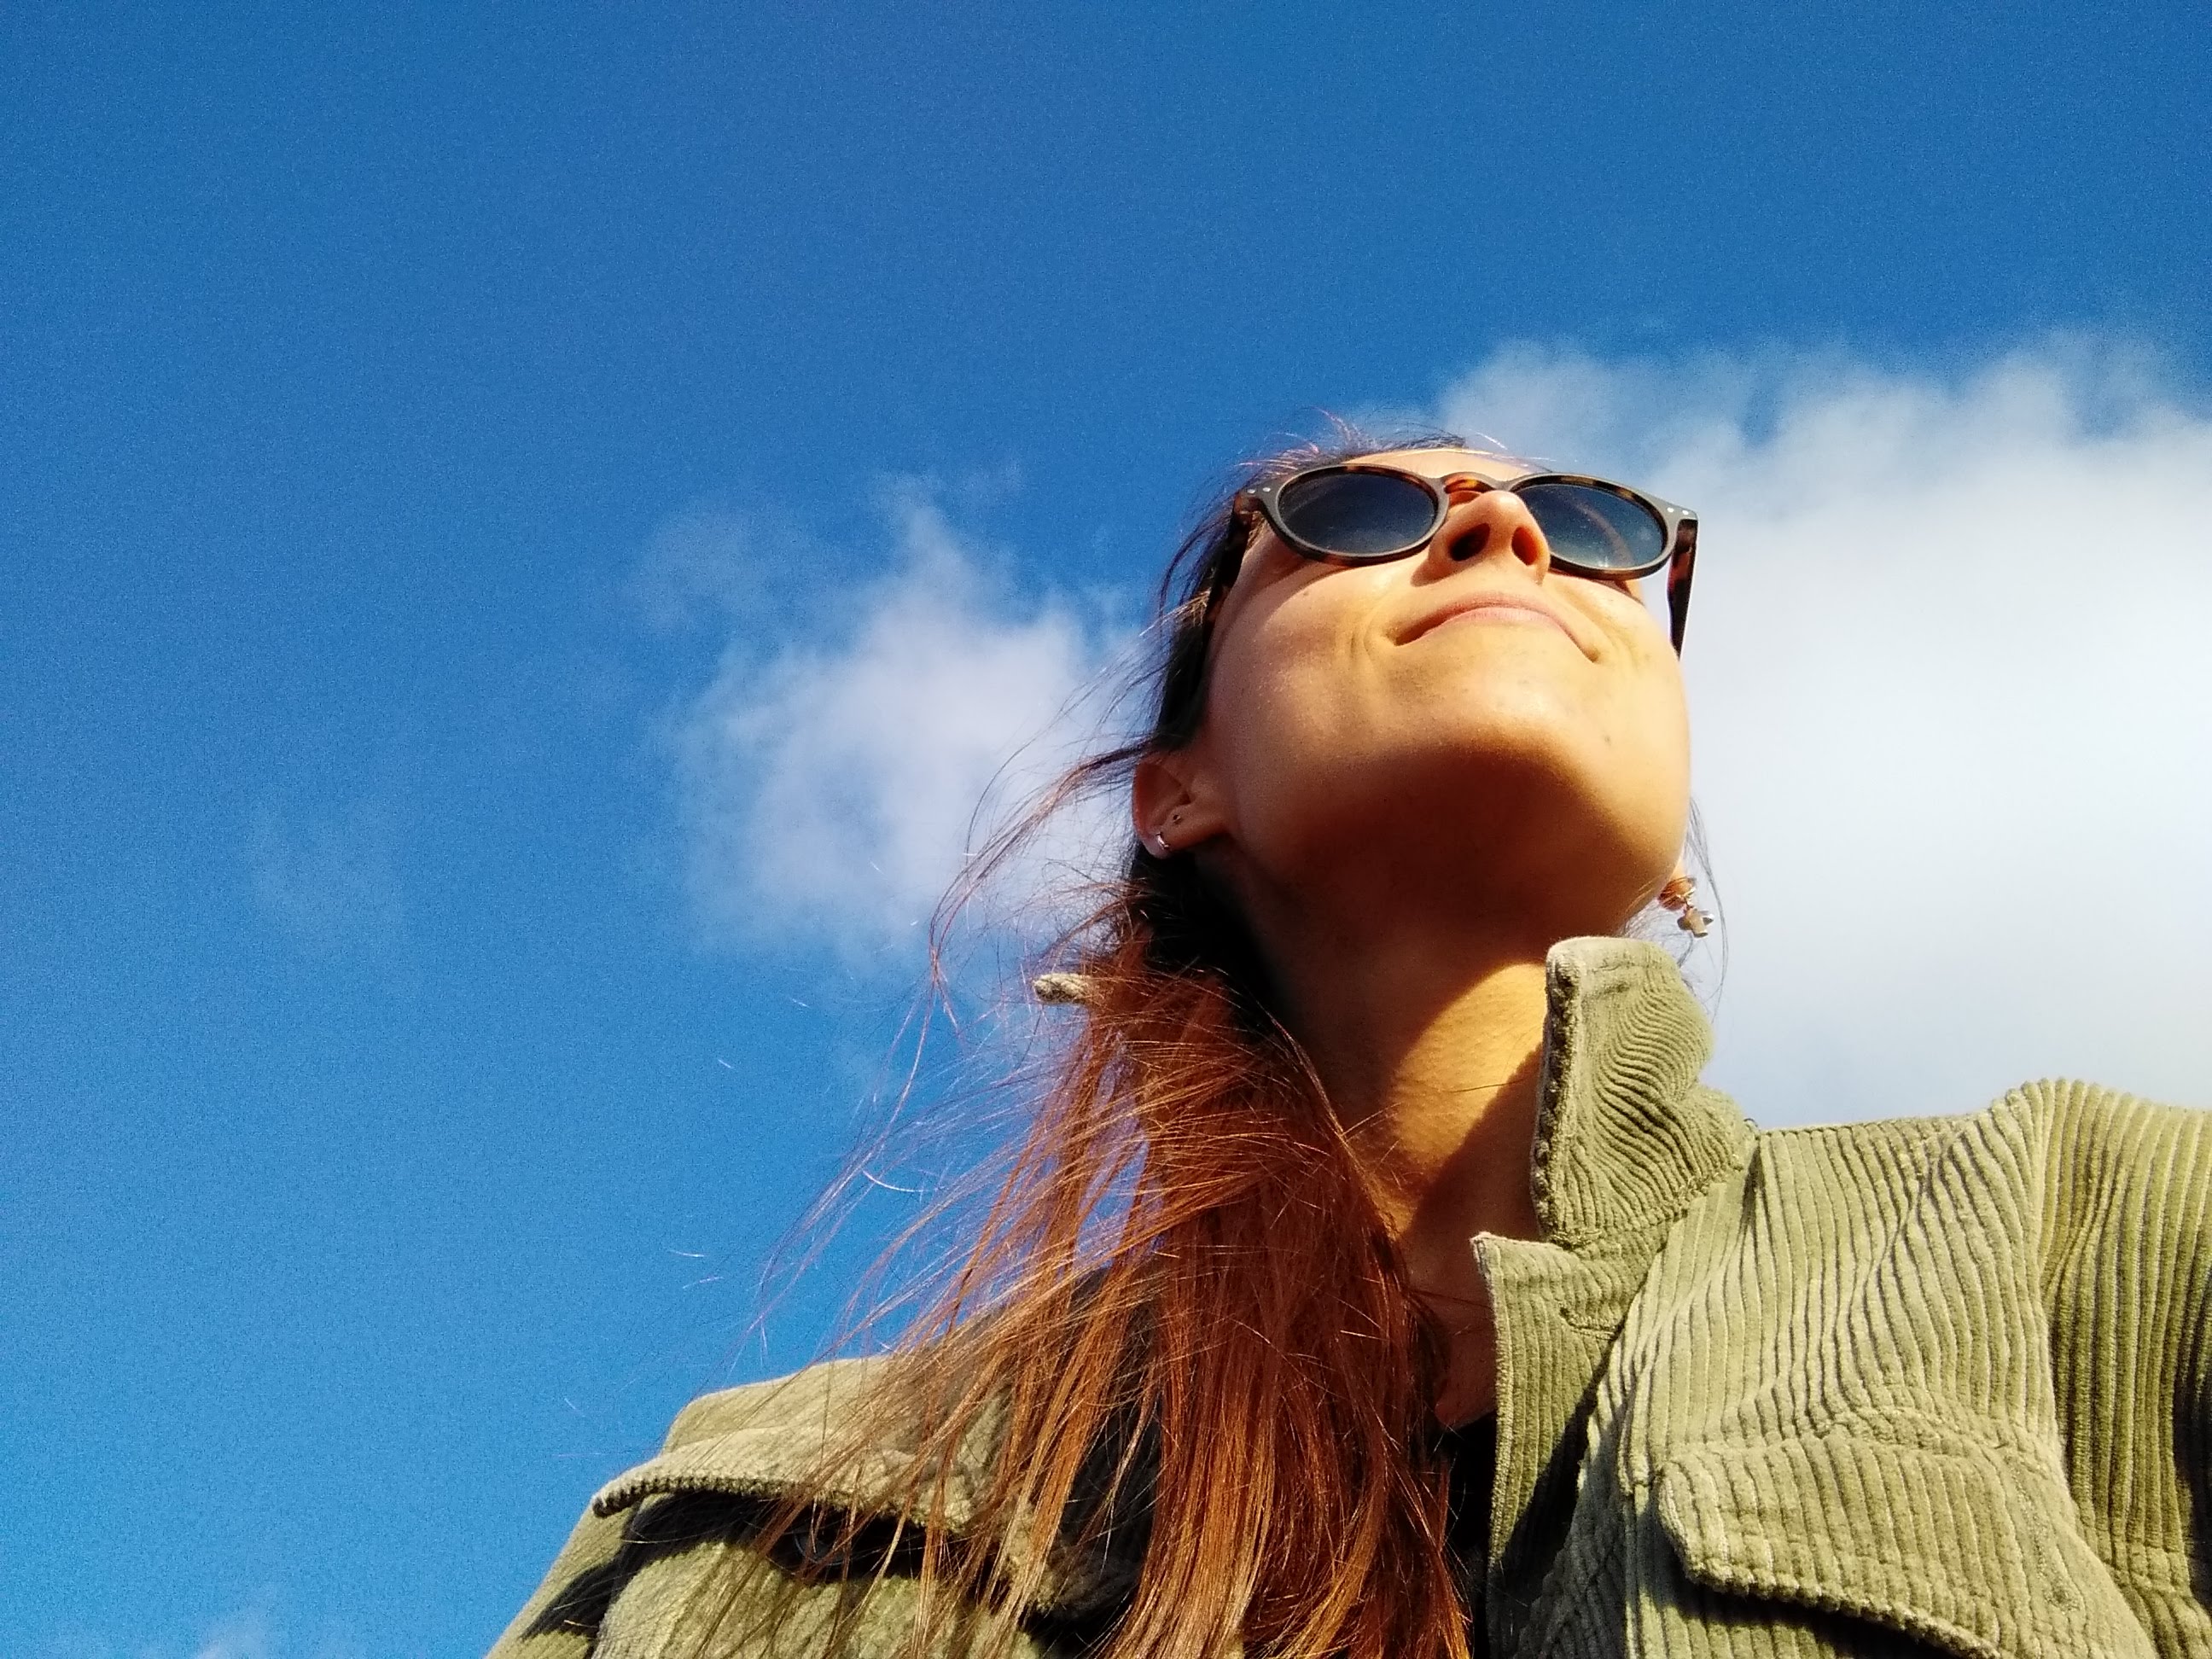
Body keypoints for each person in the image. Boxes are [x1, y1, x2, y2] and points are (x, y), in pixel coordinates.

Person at [491, 438, 2212, 1659]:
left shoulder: (2078, 1230)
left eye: (1593, 524)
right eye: (1359, 512)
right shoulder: (766, 1498)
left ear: (1676, 852)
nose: (1505, 532)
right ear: (1179, 793)